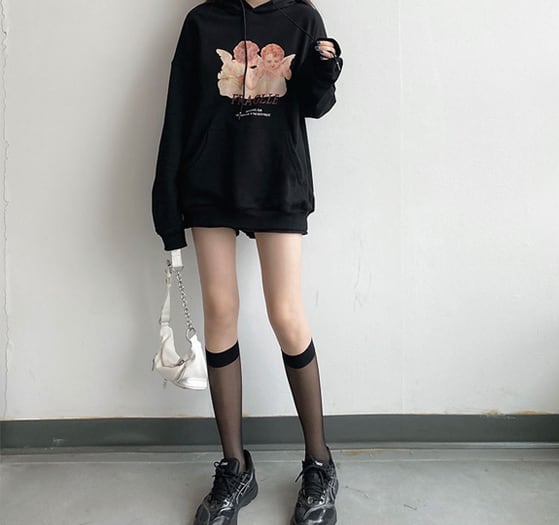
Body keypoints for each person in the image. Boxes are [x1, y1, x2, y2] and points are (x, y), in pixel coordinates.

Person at [151, 0, 344, 523]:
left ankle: (320, 462)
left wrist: (325, 68)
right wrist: (166, 204)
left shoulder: (302, 19)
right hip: (208, 181)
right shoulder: (201, 22)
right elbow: (178, 111)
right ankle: (235, 467)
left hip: (277, 181)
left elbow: (315, 105)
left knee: (286, 314)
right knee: (220, 312)